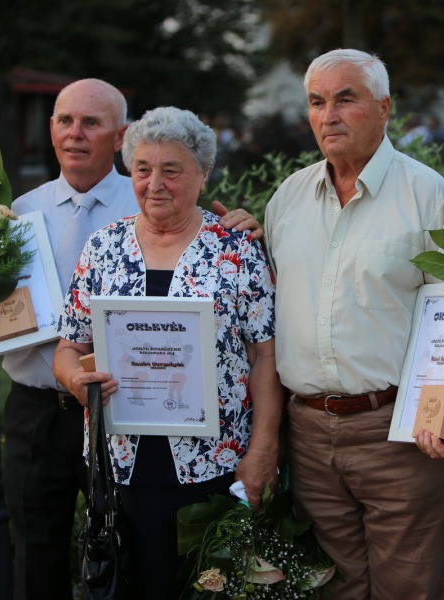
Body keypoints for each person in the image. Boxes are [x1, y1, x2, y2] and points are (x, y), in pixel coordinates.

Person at [0, 79, 259, 600]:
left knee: (119, 558)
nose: (75, 134)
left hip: (125, 423)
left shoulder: (157, 209)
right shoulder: (14, 214)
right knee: (37, 556)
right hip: (40, 411)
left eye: (91, 123)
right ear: (50, 129)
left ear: (120, 136)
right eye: (65, 121)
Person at [263, 49, 444, 600]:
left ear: (384, 108)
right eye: (316, 102)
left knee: (412, 589)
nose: (328, 115)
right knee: (333, 590)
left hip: (400, 435)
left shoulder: (430, 197)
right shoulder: (287, 200)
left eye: (345, 99)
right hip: (308, 435)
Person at [52, 106, 281, 599]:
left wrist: (263, 451)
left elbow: (267, 356)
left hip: (214, 465)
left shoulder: (236, 250)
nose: (155, 183)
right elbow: (69, 347)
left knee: (208, 589)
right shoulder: (102, 248)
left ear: (202, 174)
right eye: (142, 170)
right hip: (122, 466)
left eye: (171, 171)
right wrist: (75, 380)